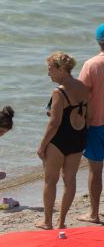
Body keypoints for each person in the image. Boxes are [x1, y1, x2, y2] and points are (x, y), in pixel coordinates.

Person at [38, 52, 90, 230]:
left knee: (50, 180)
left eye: (50, 69)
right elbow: (86, 115)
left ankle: (47, 222)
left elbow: (54, 123)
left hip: (60, 139)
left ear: (60, 69)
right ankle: (61, 221)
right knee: (70, 180)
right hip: (79, 137)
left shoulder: (58, 91)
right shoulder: (83, 86)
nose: (48, 73)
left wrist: (42, 145)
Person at [78, 23, 104, 225]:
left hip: (96, 124)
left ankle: (94, 213)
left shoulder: (91, 65)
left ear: (98, 41)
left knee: (95, 170)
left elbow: (81, 97)